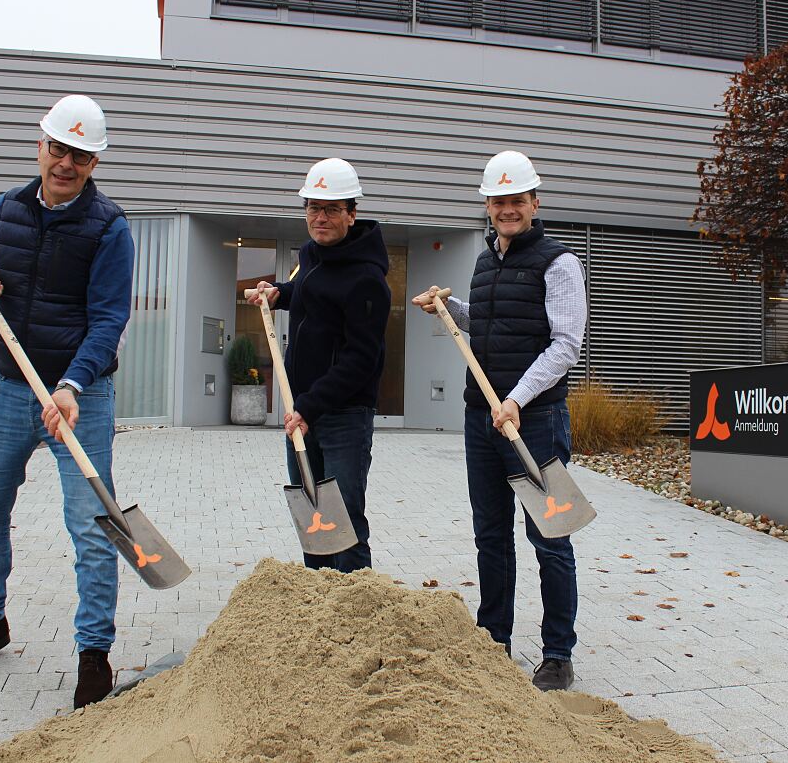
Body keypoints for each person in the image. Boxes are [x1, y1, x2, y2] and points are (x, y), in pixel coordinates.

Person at [0, 95, 135, 710]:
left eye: (80, 155)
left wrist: (72, 386)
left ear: (95, 162)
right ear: (41, 145)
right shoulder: (10, 207)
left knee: (93, 525)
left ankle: (94, 654)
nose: (66, 163)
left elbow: (108, 320)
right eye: (59, 149)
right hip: (9, 389)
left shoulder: (108, 227)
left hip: (82, 396)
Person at [411, 150, 587, 692]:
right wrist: (449, 307)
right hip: (481, 417)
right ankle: (494, 639)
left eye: (517, 200)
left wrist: (517, 398)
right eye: (498, 201)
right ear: (487, 205)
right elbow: (490, 324)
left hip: (534, 420)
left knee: (550, 536)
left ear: (535, 202)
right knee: (491, 534)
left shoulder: (559, 263)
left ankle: (557, 654)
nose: (507, 209)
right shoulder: (487, 260)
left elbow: (564, 346)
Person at [248, 158, 391, 573]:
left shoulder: (367, 278)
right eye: (313, 207)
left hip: (342, 415)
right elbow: (313, 294)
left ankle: (355, 614)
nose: (320, 217)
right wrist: (280, 293)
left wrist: (310, 407)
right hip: (304, 410)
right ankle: (316, 615)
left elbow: (361, 361)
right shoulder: (312, 256)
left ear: (352, 214)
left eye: (331, 209)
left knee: (343, 524)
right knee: (313, 518)